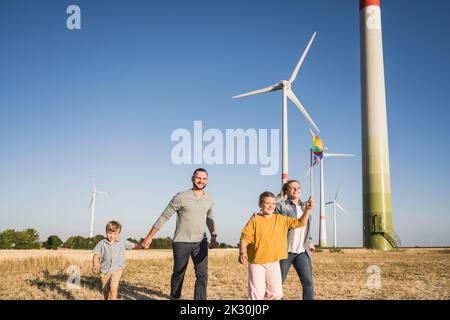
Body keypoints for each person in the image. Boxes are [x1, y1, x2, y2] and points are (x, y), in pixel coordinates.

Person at [141, 168, 217, 300]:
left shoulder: (209, 199)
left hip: (201, 242)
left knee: (202, 274)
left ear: (207, 180)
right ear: (192, 178)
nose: (201, 181)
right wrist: (149, 236)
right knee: (179, 273)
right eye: (198, 178)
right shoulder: (181, 197)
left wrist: (214, 235)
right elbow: (164, 216)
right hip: (181, 242)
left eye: (204, 178)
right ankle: (175, 297)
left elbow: (209, 218)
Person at [239, 191, 313, 300]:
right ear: (260, 204)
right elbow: (245, 237)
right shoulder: (255, 219)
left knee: (276, 294)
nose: (271, 206)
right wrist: (243, 251)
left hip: (273, 262)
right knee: (257, 294)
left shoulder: (281, 219)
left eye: (273, 203)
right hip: (257, 262)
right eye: (267, 203)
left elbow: (300, 223)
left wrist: (308, 209)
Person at [276, 180, 315, 300]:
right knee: (277, 284)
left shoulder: (305, 206)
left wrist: (310, 241)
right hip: (285, 251)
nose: (295, 190)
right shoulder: (280, 206)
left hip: (302, 251)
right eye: (292, 188)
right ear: (286, 191)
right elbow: (277, 227)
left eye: (298, 188)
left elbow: (306, 228)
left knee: (308, 283)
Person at [92, 220, 142, 300]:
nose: (112, 236)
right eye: (110, 233)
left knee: (113, 288)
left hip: (117, 269)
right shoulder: (101, 243)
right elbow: (96, 255)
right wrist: (95, 265)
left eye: (115, 234)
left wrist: (142, 245)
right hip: (104, 270)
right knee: (105, 290)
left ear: (118, 234)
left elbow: (134, 245)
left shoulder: (122, 241)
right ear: (106, 232)